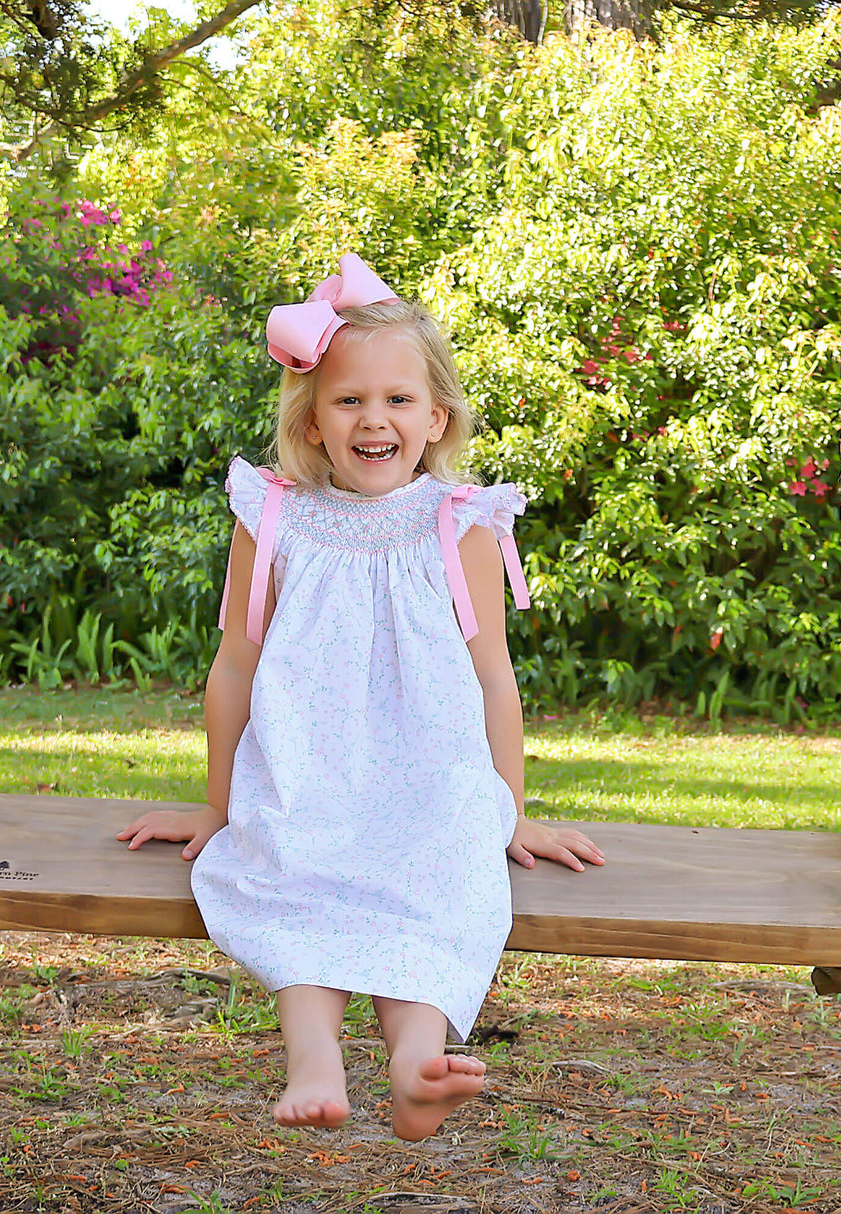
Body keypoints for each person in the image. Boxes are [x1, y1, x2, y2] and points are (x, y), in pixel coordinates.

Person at [118, 254, 604, 1141]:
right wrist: (222, 807)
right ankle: (315, 1059)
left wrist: (506, 812)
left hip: (430, 778)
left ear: (436, 418)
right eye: (349, 401)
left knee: (444, 872)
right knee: (285, 863)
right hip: (309, 769)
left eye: (397, 400)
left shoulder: (462, 525)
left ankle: (416, 1066)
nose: (373, 419)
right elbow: (234, 666)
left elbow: (494, 674)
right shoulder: (271, 519)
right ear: (310, 422)